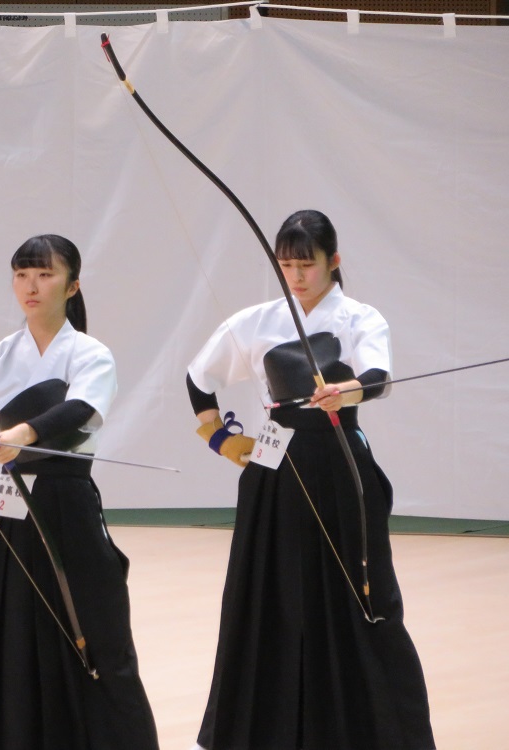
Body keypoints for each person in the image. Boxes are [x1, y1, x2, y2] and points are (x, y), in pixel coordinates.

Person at [186, 210, 434, 750]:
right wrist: (220, 439)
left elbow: (377, 377)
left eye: (308, 264)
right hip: (275, 469)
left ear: (334, 262)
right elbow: (198, 377)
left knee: (362, 595)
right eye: (287, 264)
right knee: (267, 595)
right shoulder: (258, 319)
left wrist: (345, 392)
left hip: (339, 460)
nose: (296, 276)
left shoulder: (360, 318)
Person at [0, 234, 159, 750]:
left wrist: (22, 434)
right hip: (5, 512)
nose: (32, 285)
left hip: (65, 506)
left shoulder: (90, 354)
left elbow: (80, 410)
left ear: (72, 286)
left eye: (45, 274)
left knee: (94, 626)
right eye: (23, 274)